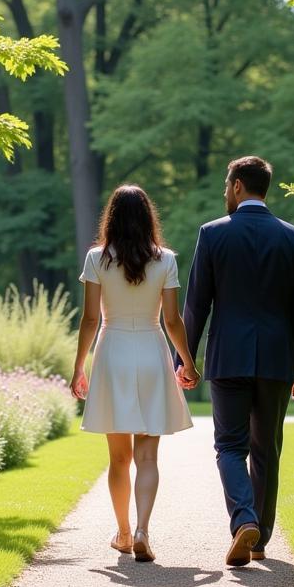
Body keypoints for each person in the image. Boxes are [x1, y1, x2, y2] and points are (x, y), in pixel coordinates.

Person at [176, 156, 294, 567]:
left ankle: (243, 520)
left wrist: (183, 359)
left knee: (230, 447)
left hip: (228, 358)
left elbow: (196, 304)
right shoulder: (293, 238)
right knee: (266, 449)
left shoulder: (213, 234)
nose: (224, 192)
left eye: (226, 185)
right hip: (276, 359)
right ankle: (258, 541)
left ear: (238, 186)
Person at [72, 185, 200, 563]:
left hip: (112, 354)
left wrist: (79, 366)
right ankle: (144, 529)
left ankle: (124, 533)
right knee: (147, 457)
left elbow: (90, 318)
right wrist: (187, 363)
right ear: (148, 218)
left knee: (118, 460)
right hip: (151, 351)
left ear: (111, 217)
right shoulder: (166, 260)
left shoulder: (97, 258)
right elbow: (173, 320)